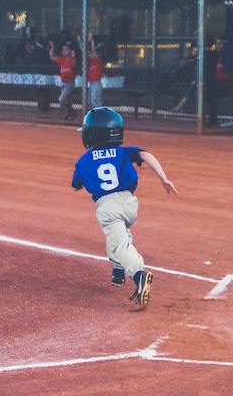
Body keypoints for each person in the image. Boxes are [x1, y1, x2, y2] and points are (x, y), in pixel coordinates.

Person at [71, 107, 179, 308]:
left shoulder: (83, 160)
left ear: (90, 135)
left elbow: (76, 184)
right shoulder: (124, 151)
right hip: (130, 204)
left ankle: (139, 275)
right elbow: (146, 155)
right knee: (121, 235)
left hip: (107, 207)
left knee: (120, 244)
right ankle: (118, 270)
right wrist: (164, 179)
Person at [49, 40, 78, 120]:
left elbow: (74, 65)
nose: (64, 51)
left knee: (62, 99)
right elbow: (52, 57)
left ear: (71, 51)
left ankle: (72, 112)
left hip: (70, 83)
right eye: (64, 50)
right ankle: (70, 114)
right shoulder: (62, 59)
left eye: (67, 49)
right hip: (63, 82)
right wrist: (52, 47)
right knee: (67, 100)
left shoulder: (72, 60)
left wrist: (74, 56)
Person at [79, 33, 105, 110]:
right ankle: (92, 117)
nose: (91, 54)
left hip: (97, 83)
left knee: (95, 101)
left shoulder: (99, 60)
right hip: (90, 83)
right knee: (89, 102)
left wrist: (91, 39)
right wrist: (80, 41)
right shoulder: (90, 61)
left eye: (93, 53)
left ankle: (100, 116)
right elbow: (83, 51)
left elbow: (94, 50)